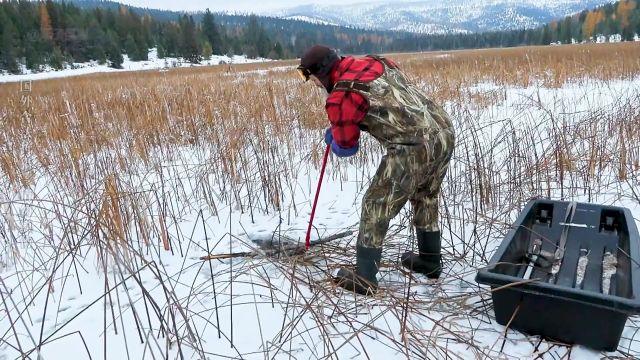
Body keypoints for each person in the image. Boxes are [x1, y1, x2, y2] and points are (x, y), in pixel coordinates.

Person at [297, 45, 455, 296]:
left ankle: (365, 277)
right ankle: (430, 261)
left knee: (375, 203)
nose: (312, 83)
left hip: (412, 146)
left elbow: (347, 148)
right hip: (443, 131)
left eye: (309, 76)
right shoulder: (377, 61)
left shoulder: (340, 97)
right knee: (426, 195)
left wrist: (334, 138)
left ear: (321, 72)